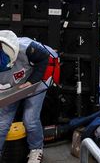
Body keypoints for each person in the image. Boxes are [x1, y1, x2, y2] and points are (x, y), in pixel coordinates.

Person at [0, 31, 54, 163]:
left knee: (30, 120)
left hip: (34, 83)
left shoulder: (27, 48)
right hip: (10, 87)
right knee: (2, 122)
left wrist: (32, 81)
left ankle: (36, 149)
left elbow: (44, 57)